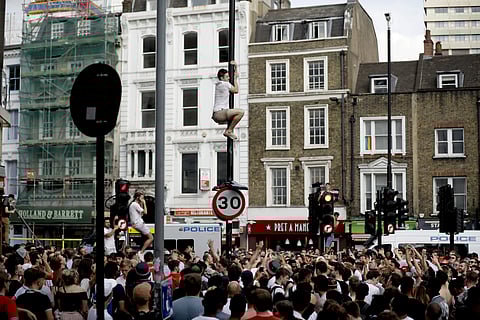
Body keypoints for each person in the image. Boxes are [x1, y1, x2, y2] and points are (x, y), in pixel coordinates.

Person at [212, 60, 244, 141]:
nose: (229, 78)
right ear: (222, 78)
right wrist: (235, 80)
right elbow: (236, 90)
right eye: (227, 77)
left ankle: (229, 130)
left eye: (228, 76)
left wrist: (236, 67)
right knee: (241, 112)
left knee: (235, 115)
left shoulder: (219, 84)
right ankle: (229, 131)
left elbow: (233, 77)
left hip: (217, 114)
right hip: (220, 113)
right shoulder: (225, 84)